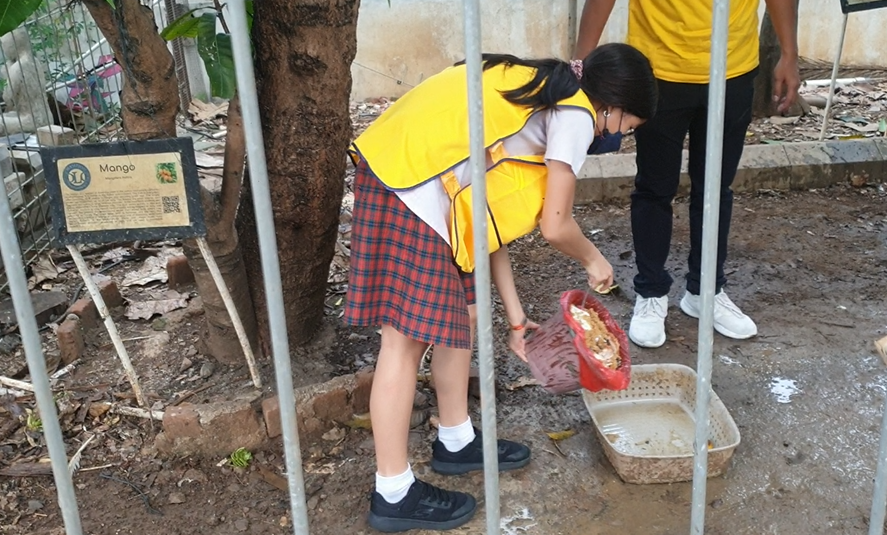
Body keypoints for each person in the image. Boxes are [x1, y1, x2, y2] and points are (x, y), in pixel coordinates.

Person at [345, 43, 657, 532]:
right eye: (628, 127)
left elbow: (488, 222)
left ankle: (455, 440)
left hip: (428, 186)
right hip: (409, 187)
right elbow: (556, 225)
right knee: (402, 344)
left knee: (464, 316)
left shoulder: (542, 93)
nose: (620, 136)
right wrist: (595, 259)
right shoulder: (575, 115)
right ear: (612, 105)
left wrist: (515, 318)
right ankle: (393, 492)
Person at [575, 0, 800, 347]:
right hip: (659, 69)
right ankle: (651, 292)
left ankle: (706, 290)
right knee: (653, 187)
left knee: (715, 187)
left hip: (733, 69)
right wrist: (582, 69)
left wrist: (789, 52)